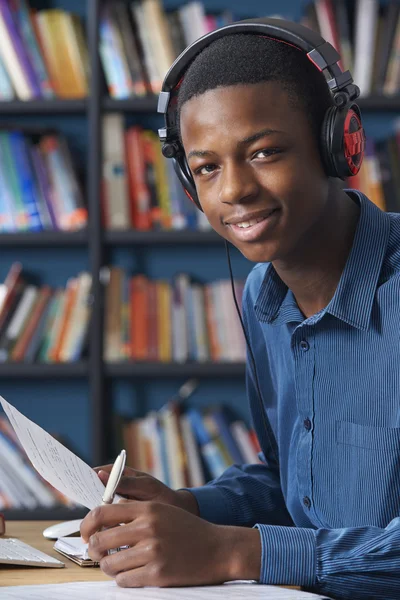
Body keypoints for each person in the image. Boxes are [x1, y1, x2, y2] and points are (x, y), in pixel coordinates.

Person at [81, 21, 400, 600]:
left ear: (338, 144)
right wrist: (189, 506)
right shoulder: (262, 297)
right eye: (207, 168)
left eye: (264, 152)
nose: (233, 190)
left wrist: (230, 550)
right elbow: (292, 482)